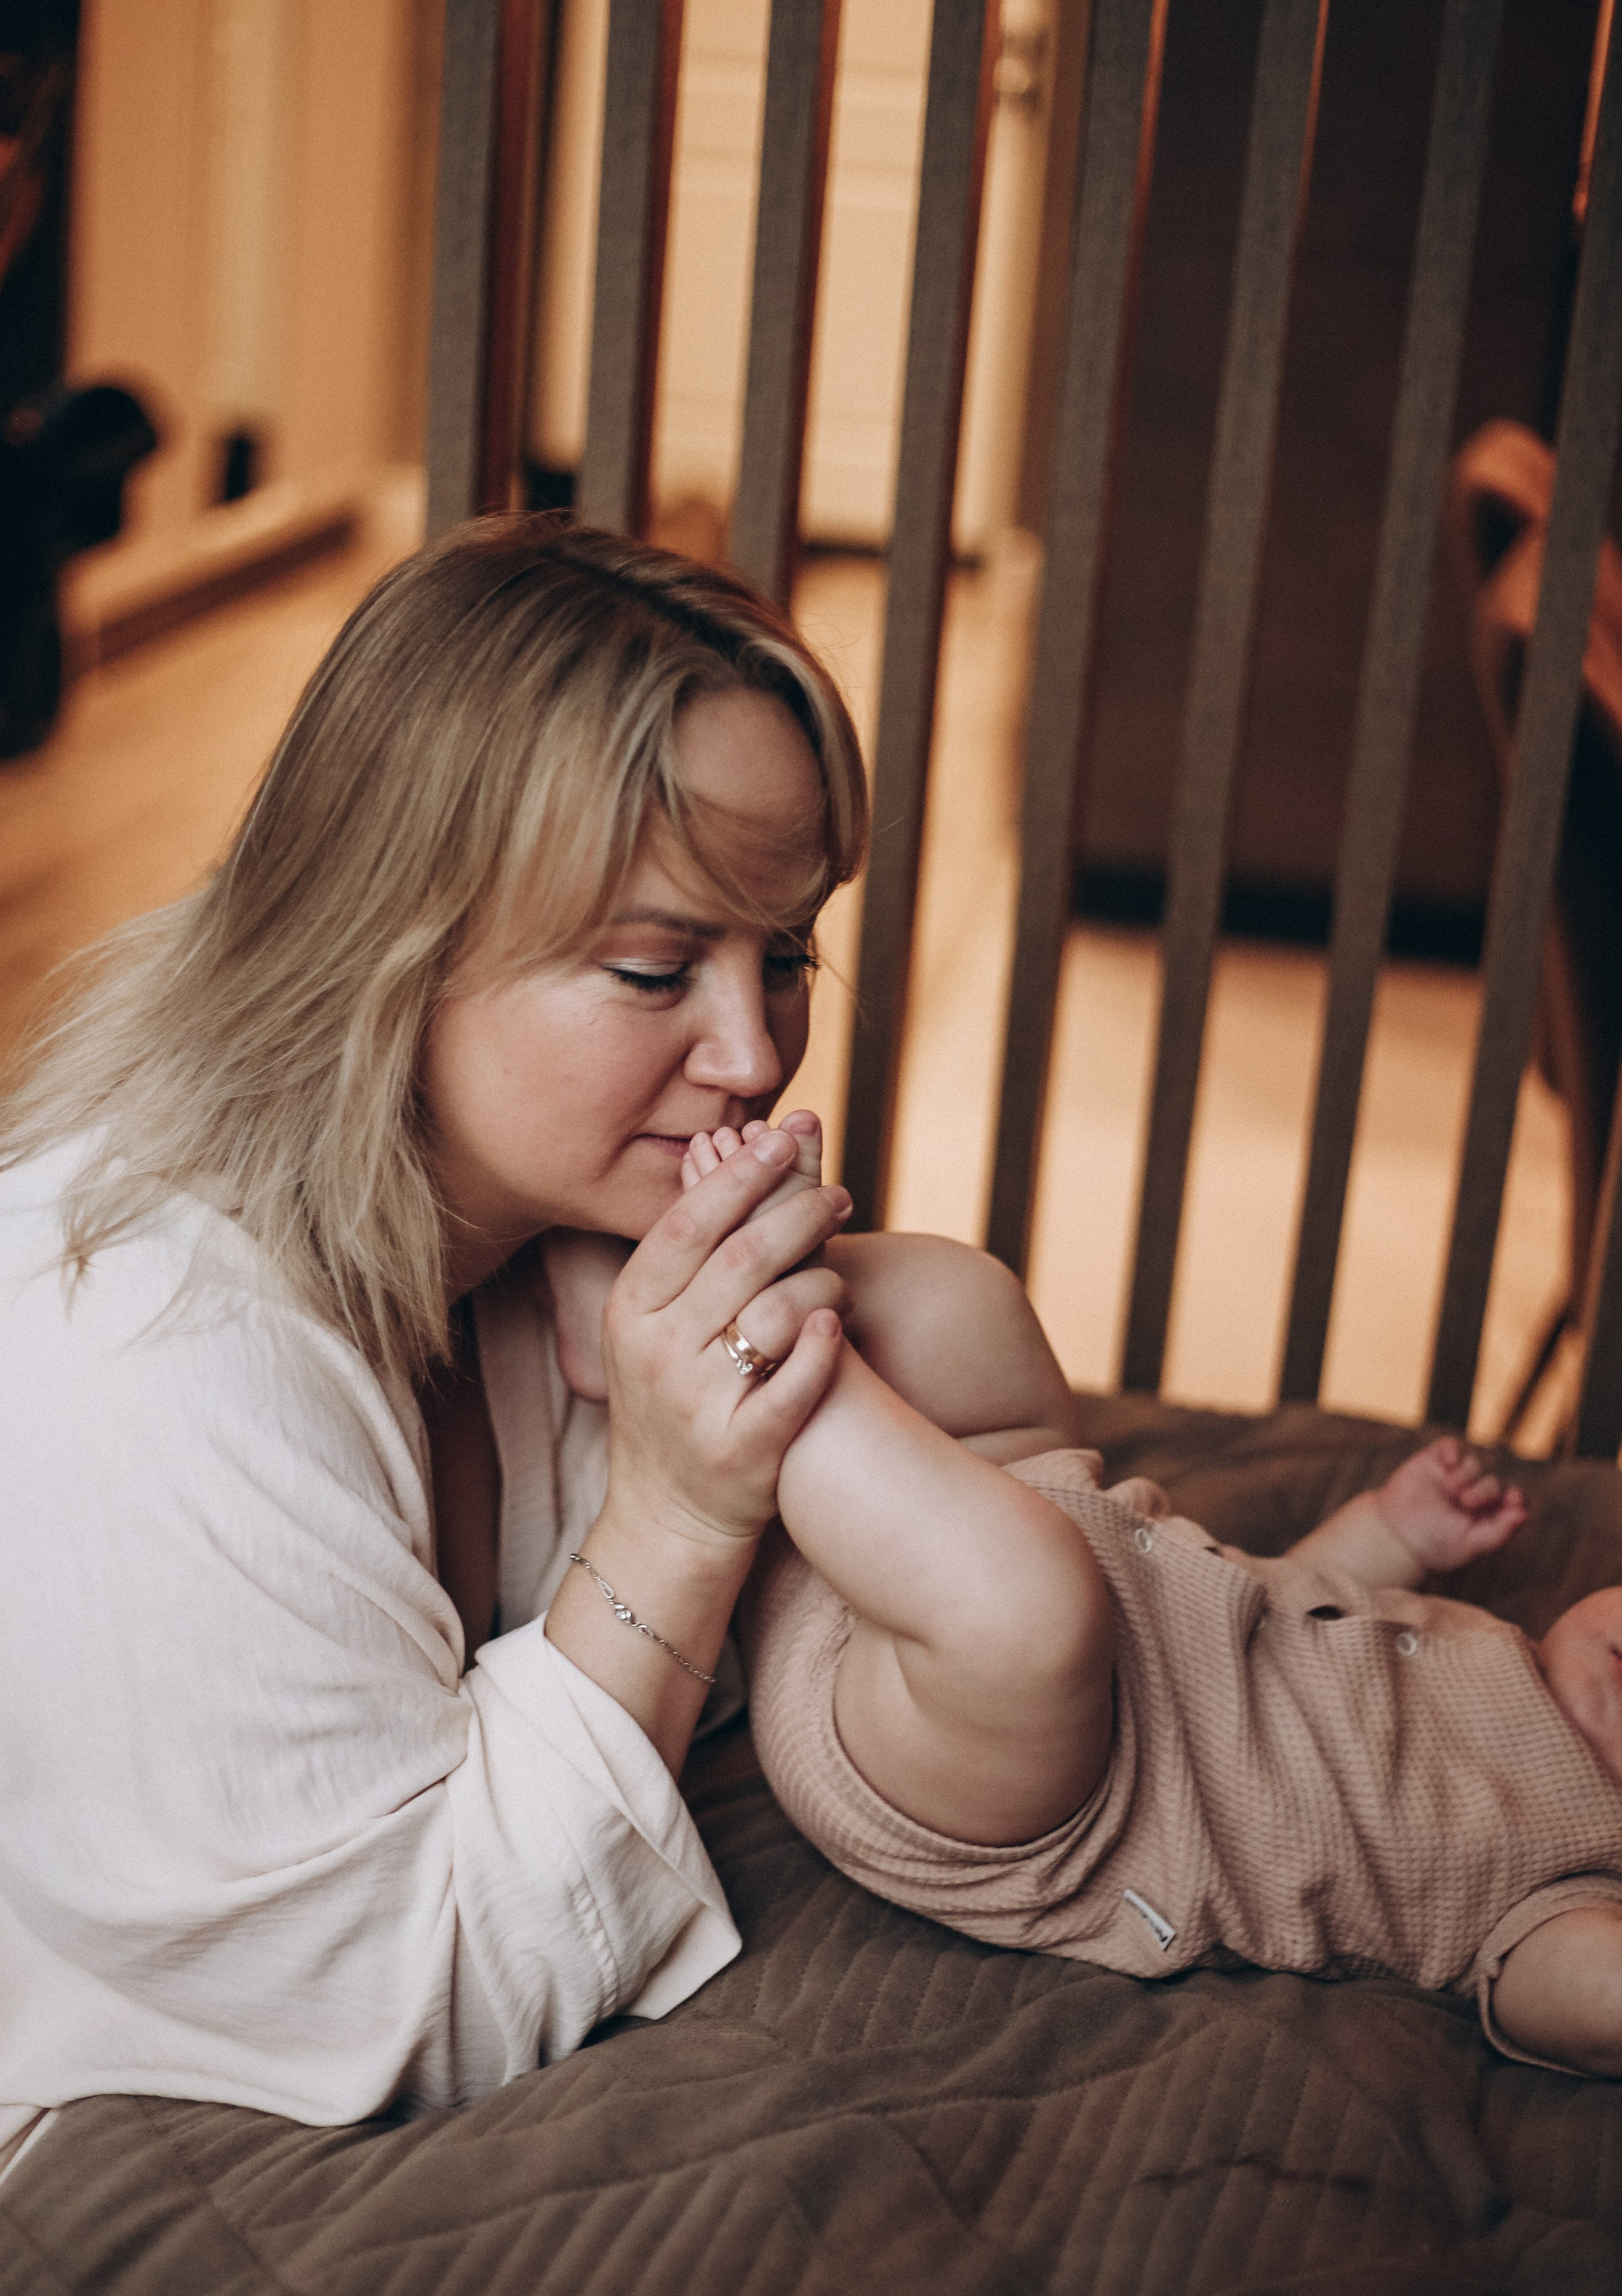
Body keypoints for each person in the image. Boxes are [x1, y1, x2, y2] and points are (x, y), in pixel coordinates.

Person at [0, 517, 1080, 2176]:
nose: (755, 1050)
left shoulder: (511, 1222)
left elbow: (953, 1365)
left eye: (785, 955)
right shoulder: (149, 1352)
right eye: (657, 968)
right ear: (391, 948)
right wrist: (674, 1514)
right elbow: (412, 1996)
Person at [710, 1126, 1622, 2078]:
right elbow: (1276, 1617)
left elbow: (1575, 1991)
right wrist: (1393, 1539)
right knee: (968, 1311)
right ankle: (677, 1284)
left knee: (1030, 1607)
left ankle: (750, 1321)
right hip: (968, 1538)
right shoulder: (1490, 1647)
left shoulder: (1572, 1870)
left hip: (1034, 1785)